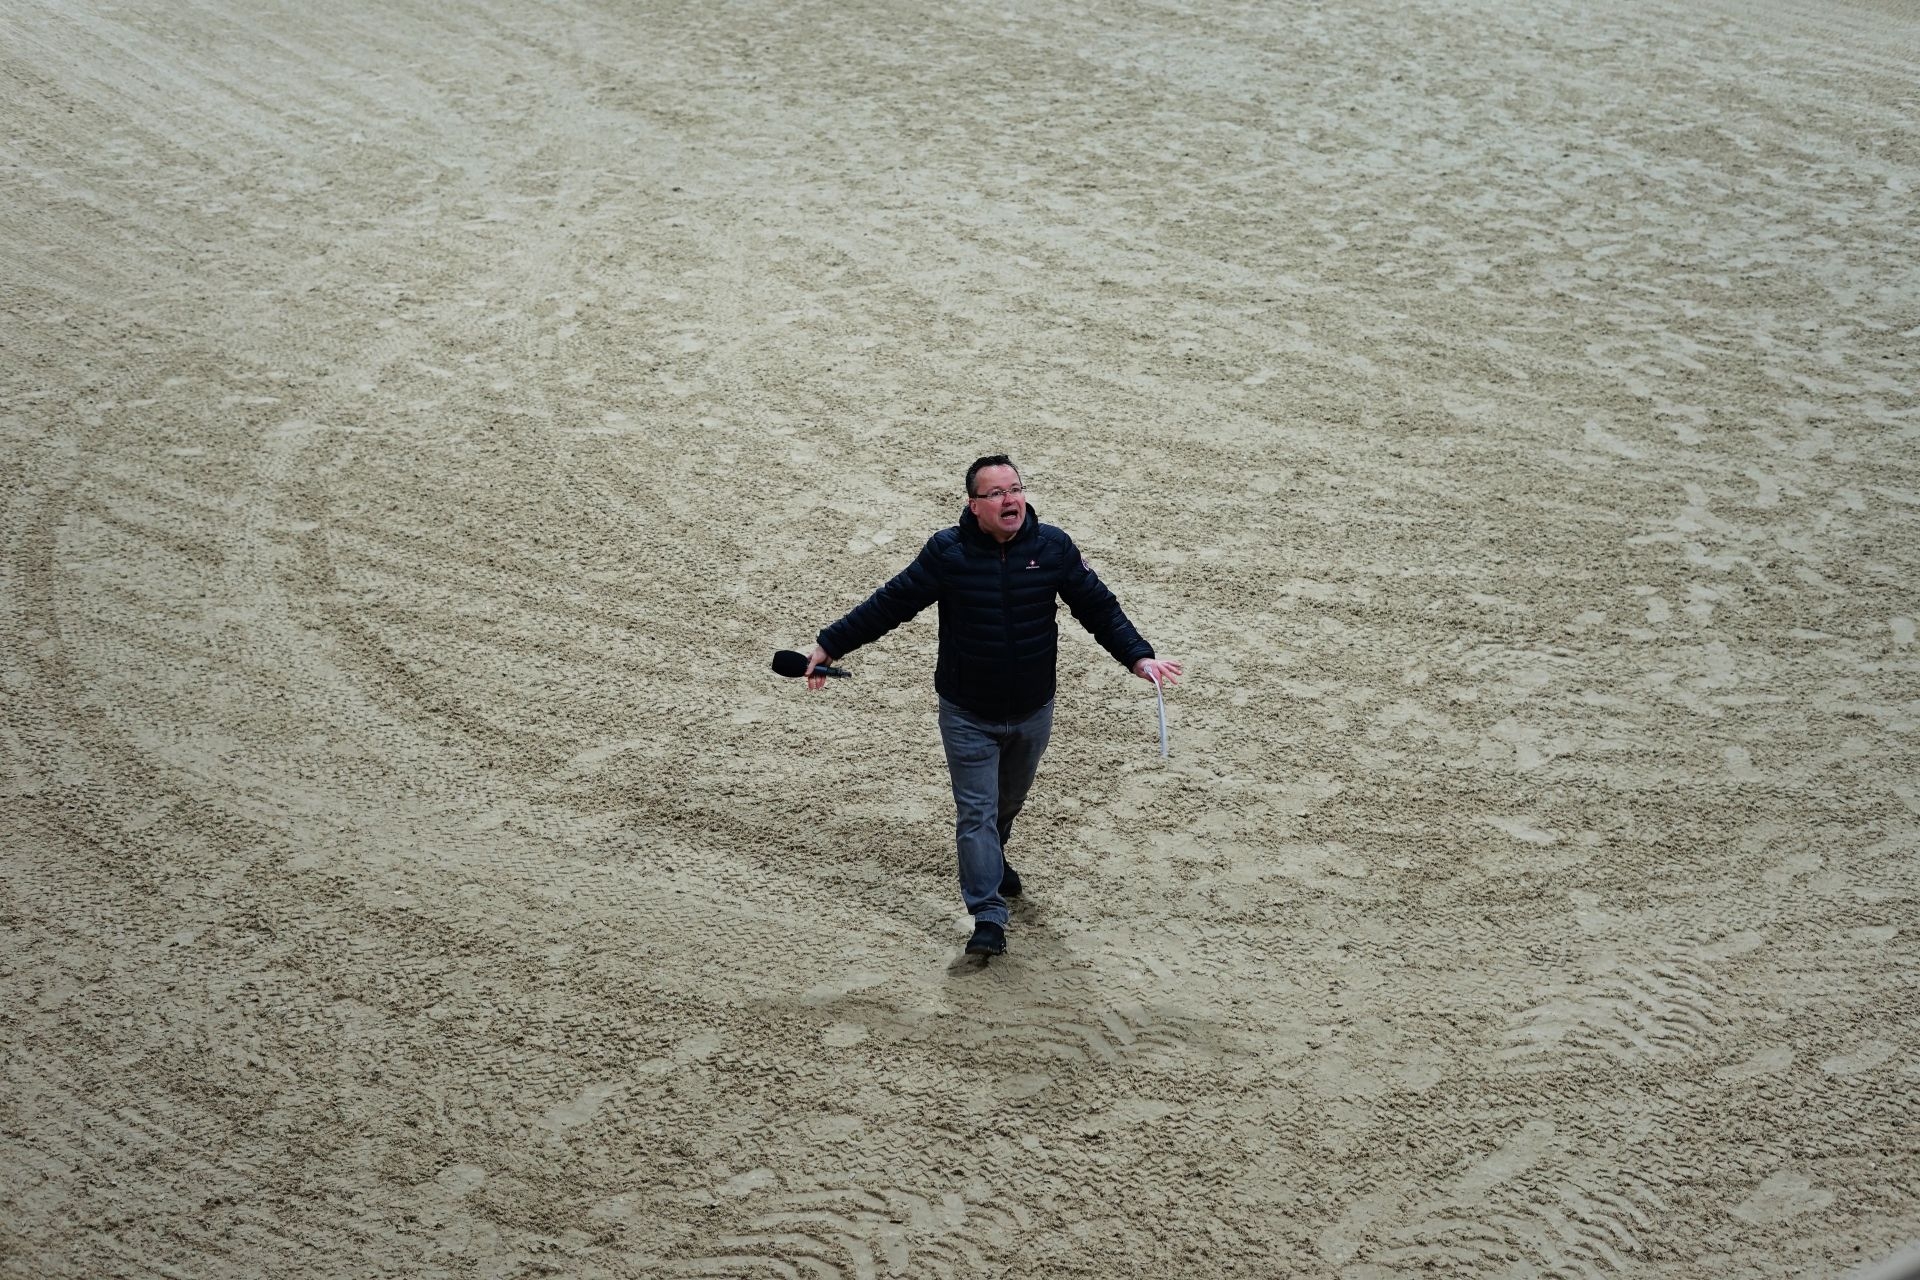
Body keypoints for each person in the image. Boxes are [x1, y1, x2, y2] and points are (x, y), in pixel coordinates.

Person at [800, 454, 1181, 957]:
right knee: (976, 812)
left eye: (1015, 489)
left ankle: (992, 859)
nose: (1010, 500)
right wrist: (829, 646)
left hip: (1033, 709)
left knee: (1005, 804)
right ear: (974, 505)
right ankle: (987, 915)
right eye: (996, 493)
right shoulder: (948, 552)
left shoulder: (1052, 548)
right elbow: (890, 603)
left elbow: (1099, 607)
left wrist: (1139, 657)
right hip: (967, 712)